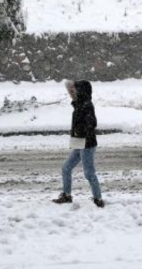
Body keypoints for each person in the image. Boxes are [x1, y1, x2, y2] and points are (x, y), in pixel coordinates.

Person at [53, 79, 104, 208]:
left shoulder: (87, 105)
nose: (70, 93)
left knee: (89, 173)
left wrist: (80, 132)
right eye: (69, 90)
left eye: (73, 90)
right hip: (78, 142)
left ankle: (98, 198)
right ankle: (67, 195)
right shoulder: (78, 104)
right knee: (66, 168)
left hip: (87, 144)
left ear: (81, 91)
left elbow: (92, 124)